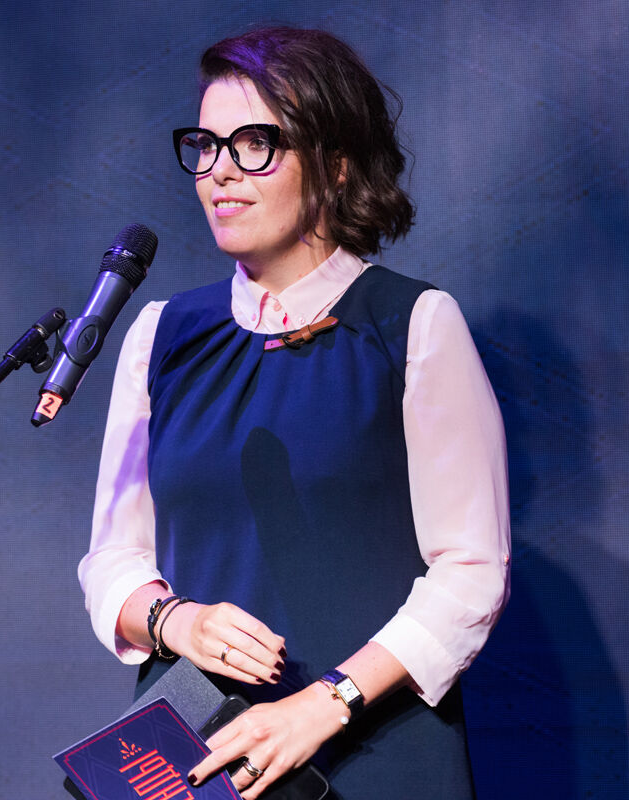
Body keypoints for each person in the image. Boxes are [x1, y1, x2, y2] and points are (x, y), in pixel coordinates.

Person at [79, 26, 510, 800]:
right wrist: (178, 621)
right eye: (205, 146)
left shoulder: (411, 324)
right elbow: (112, 560)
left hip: (371, 756)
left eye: (255, 144)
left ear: (335, 164)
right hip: (203, 756)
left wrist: (326, 703)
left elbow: (471, 572)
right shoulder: (161, 335)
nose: (219, 171)